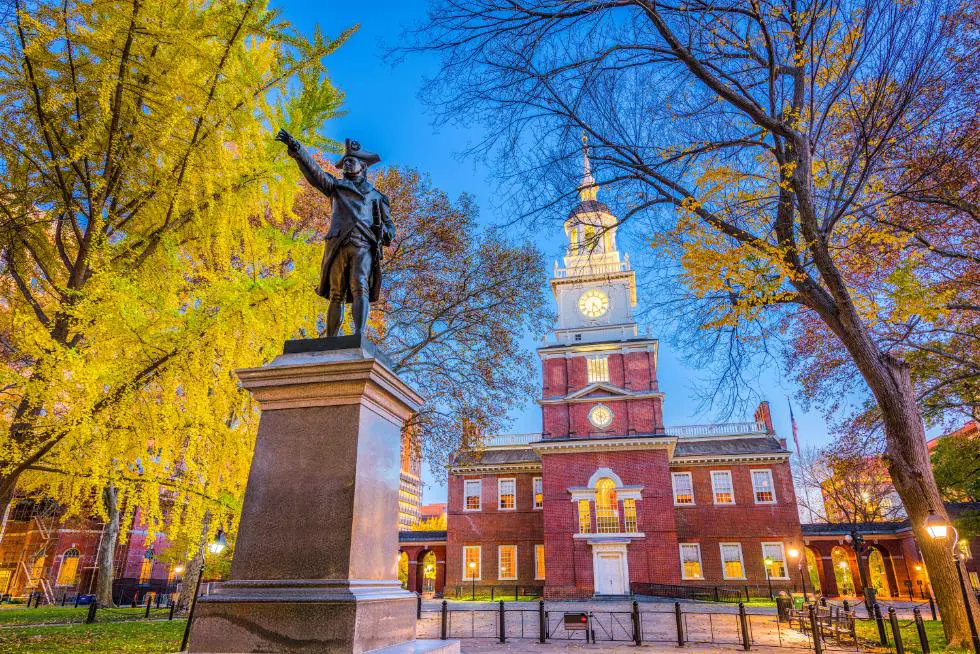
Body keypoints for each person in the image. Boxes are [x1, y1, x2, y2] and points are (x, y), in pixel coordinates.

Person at [276, 129, 394, 336]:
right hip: (338, 243)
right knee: (336, 292)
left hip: (363, 245)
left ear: (363, 166)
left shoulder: (377, 197)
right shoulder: (336, 187)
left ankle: (358, 334)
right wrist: (297, 148)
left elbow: (389, 229)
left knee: (360, 286)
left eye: (351, 160)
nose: (346, 163)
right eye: (345, 161)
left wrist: (383, 231)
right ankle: (330, 339)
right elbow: (316, 173)